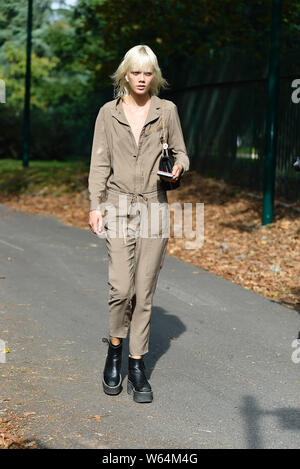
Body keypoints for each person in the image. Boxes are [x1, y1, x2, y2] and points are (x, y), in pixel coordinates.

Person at [88, 44, 190, 403]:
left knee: (143, 291)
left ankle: (135, 363)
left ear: (154, 75)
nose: (142, 79)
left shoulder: (167, 111)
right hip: (117, 205)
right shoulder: (108, 113)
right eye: (136, 72)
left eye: (148, 73)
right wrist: (95, 205)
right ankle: (115, 348)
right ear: (125, 75)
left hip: (153, 207)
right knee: (120, 288)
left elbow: (182, 153)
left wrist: (178, 166)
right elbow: (99, 163)